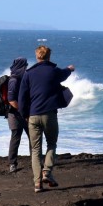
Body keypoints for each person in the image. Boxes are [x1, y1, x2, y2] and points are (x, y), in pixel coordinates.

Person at [18, 45, 75, 193]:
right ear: (49, 56)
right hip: (49, 115)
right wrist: (70, 69)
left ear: (37, 56)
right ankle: (47, 172)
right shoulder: (53, 71)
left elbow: (22, 98)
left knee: (36, 150)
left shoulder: (28, 74)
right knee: (52, 144)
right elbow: (64, 74)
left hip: (33, 116)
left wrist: (24, 114)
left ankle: (37, 183)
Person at [6, 57, 29, 173]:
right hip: (15, 114)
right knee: (16, 138)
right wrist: (23, 111)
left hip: (24, 113)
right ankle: (12, 164)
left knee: (33, 137)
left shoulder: (24, 77)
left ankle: (36, 160)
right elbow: (11, 100)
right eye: (25, 65)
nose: (27, 67)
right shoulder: (14, 80)